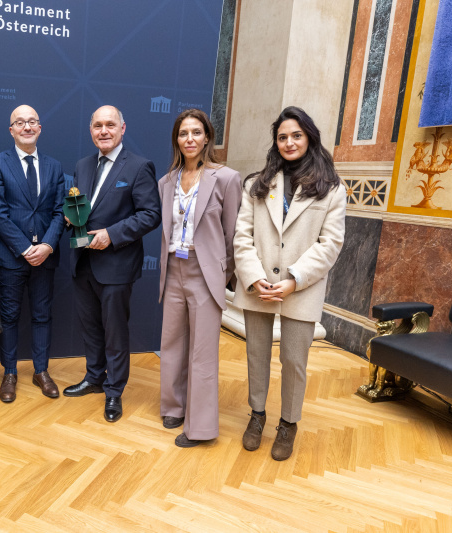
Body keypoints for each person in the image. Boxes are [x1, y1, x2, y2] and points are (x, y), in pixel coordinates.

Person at [233, 106, 346, 461]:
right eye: (282, 137)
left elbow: (331, 244)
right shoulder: (256, 184)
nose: (289, 142)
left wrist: (295, 280)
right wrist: (253, 278)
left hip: (302, 288)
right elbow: (242, 237)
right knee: (256, 356)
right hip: (260, 287)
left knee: (294, 361)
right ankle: (257, 415)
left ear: (309, 137)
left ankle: (288, 423)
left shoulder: (331, 189)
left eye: (296, 135)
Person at [63, 105, 161, 423]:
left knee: (115, 332)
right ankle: (94, 378)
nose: (103, 131)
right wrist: (70, 219)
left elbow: (150, 214)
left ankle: (114, 391)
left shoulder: (138, 166)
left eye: (110, 125)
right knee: (90, 328)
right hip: (83, 262)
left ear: (122, 128)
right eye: (97, 126)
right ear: (90, 130)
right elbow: (81, 209)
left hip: (117, 265)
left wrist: (112, 234)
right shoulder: (82, 165)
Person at [157, 109, 241, 447]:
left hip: (205, 273)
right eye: (182, 133)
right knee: (172, 344)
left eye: (196, 132)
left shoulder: (226, 178)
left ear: (207, 137)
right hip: (173, 269)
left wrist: (223, 275)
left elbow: (233, 234)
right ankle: (174, 407)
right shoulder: (167, 181)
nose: (189, 139)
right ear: (176, 140)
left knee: (202, 352)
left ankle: (201, 428)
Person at [0, 105, 66, 402]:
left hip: (46, 255)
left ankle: (41, 371)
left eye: (33, 121)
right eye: (20, 122)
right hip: (11, 256)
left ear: (40, 127)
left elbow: (60, 211)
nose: (27, 126)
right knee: (9, 316)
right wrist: (24, 248)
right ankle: (9, 373)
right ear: (12, 130)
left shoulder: (55, 166)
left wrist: (46, 245)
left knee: (43, 315)